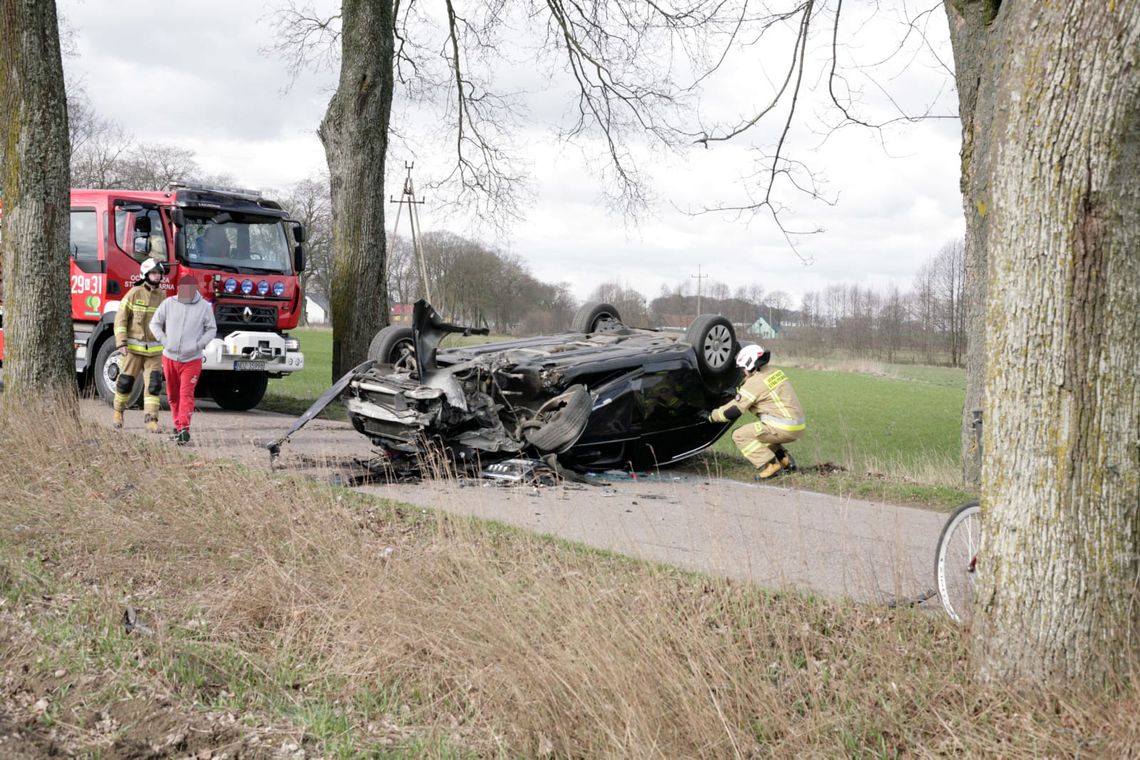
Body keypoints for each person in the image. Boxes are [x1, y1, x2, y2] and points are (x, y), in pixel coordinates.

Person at [709, 343, 806, 480]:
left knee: (740, 435)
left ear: (750, 364)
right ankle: (785, 461)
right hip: (796, 426)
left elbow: (734, 410)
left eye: (743, 368)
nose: (742, 372)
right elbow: (762, 393)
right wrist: (738, 393)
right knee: (761, 435)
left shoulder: (755, 382)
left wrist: (711, 416)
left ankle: (770, 466)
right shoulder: (775, 372)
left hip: (782, 426)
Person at [150, 274, 217, 445]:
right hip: (170, 357)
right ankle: (178, 426)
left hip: (192, 359)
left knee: (186, 394)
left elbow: (211, 329)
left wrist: (198, 344)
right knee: (172, 395)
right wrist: (164, 340)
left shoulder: (204, 307)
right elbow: (154, 323)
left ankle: (184, 429)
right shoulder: (169, 303)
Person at [113, 258, 167, 432]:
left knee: (154, 385)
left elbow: (168, 322)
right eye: (153, 273)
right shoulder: (134, 293)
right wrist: (121, 342)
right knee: (125, 383)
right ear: (145, 274)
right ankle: (118, 412)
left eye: (159, 273)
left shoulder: (163, 296)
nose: (157, 276)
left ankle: (151, 419)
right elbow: (120, 319)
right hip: (133, 351)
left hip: (154, 351)